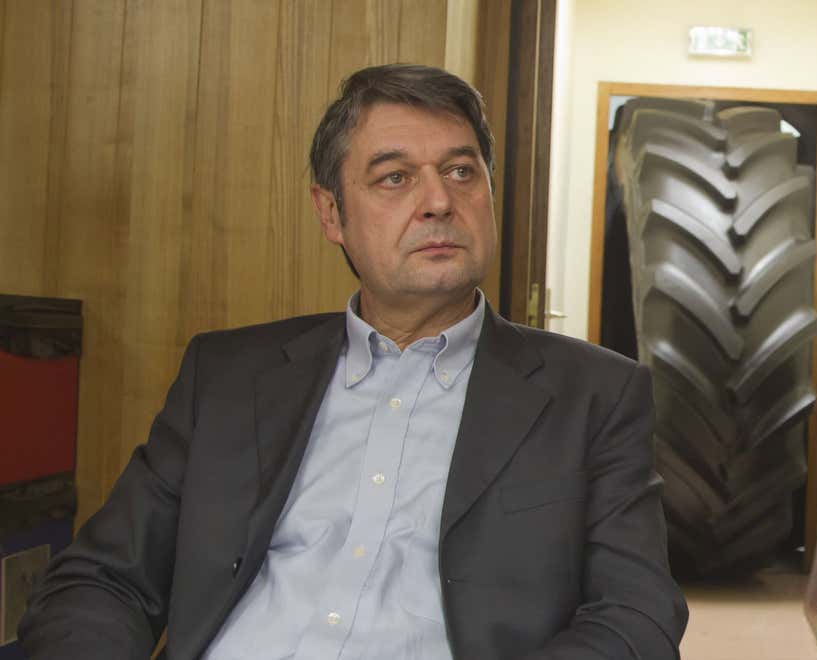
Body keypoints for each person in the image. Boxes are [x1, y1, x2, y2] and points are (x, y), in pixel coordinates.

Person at [20, 65, 687, 659]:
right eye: (394, 178)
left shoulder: (594, 393)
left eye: (461, 171)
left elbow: (638, 616)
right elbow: (103, 578)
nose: (437, 201)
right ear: (331, 212)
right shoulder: (226, 376)